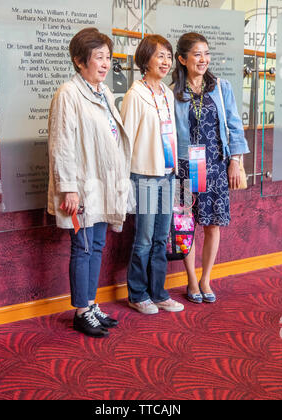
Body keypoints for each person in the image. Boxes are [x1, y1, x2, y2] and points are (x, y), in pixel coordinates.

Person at [48, 28, 131, 337]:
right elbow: (62, 143)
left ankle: (91, 303)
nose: (105, 64)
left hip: (103, 184)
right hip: (82, 187)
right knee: (82, 247)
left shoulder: (103, 92)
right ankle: (81, 311)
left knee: (96, 245)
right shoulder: (68, 93)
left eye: (108, 57)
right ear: (79, 61)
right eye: (99, 57)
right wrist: (67, 186)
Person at [172, 33, 250, 304]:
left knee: (213, 223)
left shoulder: (221, 86)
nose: (203, 59)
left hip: (215, 163)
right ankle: (191, 279)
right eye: (196, 54)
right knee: (186, 224)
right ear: (182, 59)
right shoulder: (174, 92)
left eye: (206, 53)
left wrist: (236, 161)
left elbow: (234, 123)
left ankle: (206, 278)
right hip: (185, 166)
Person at [121, 35, 184, 315]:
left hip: (168, 174)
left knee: (162, 238)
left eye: (168, 56)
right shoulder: (135, 94)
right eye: (160, 55)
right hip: (145, 177)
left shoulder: (167, 93)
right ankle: (137, 293)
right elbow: (125, 141)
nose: (166, 61)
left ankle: (159, 293)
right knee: (144, 239)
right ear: (145, 59)